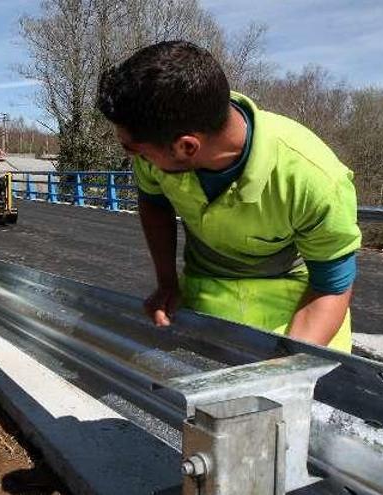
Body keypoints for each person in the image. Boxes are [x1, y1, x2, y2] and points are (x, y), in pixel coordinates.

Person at [95, 41, 361, 353]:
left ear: (186, 147)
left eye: (132, 148)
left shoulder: (313, 179)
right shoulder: (155, 154)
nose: (131, 156)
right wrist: (168, 282)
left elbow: (331, 287)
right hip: (207, 294)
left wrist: (285, 367)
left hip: (300, 304)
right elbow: (153, 202)